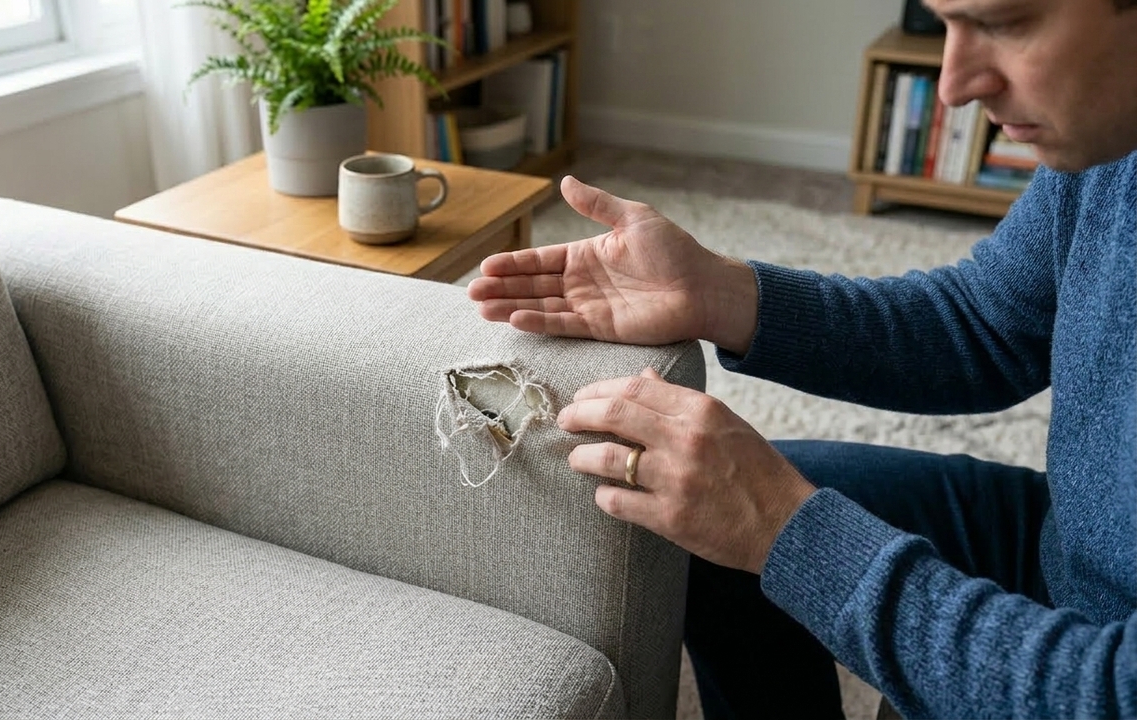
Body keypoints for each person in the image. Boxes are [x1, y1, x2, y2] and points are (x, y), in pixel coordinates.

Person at [466, 0, 1137, 717]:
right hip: (1065, 548)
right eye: (946, 22)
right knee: (693, 522)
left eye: (1003, 23)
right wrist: (720, 292)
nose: (953, 84)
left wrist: (788, 533)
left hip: (1098, 669)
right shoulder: (1109, 141)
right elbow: (983, 324)